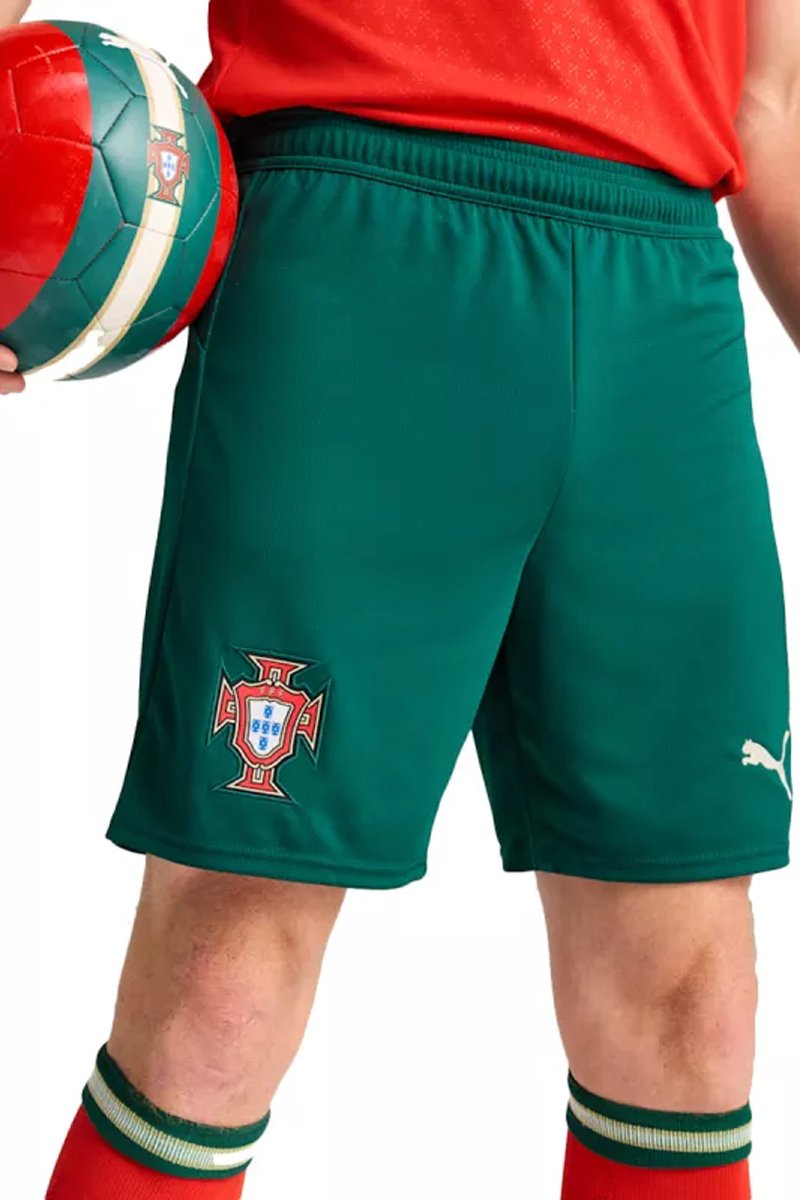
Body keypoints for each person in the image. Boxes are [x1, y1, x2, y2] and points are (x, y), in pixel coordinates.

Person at [1, 1, 796, 1197]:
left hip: (662, 290)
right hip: (354, 244)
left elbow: (768, 104)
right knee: (222, 984)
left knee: (689, 1009)